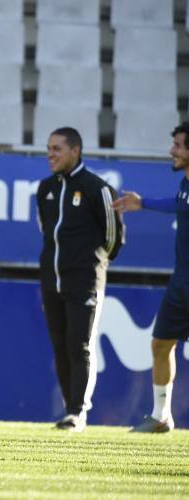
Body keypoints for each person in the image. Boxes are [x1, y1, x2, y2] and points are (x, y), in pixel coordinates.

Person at [36, 127, 124, 432]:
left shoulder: (97, 188)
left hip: (85, 281)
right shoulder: (45, 188)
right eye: (48, 148)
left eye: (57, 148)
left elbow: (114, 238)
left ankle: (77, 413)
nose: (50, 154)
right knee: (59, 346)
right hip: (52, 281)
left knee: (80, 345)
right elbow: (46, 232)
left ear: (75, 151)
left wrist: (92, 266)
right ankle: (68, 410)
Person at [114, 121, 189, 433]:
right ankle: (160, 416)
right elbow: (179, 204)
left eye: (179, 145)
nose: (172, 151)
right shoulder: (185, 184)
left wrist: (143, 203)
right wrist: (143, 203)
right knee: (160, 344)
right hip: (181, 282)